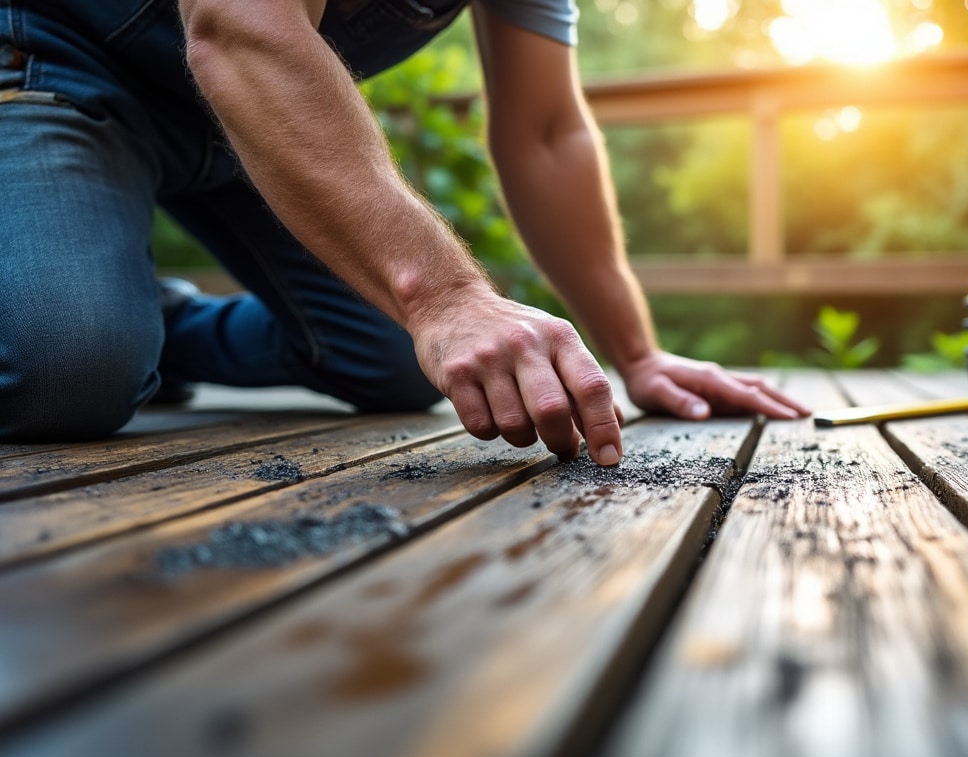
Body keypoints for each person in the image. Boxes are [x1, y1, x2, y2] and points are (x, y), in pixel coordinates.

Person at [0, 0, 808, 464]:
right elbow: (239, 28)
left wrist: (636, 354)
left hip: (255, 112)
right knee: (65, 372)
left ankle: (152, 327)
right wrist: (448, 296)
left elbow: (548, 131)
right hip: (62, 65)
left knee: (397, 363)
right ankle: (86, 324)